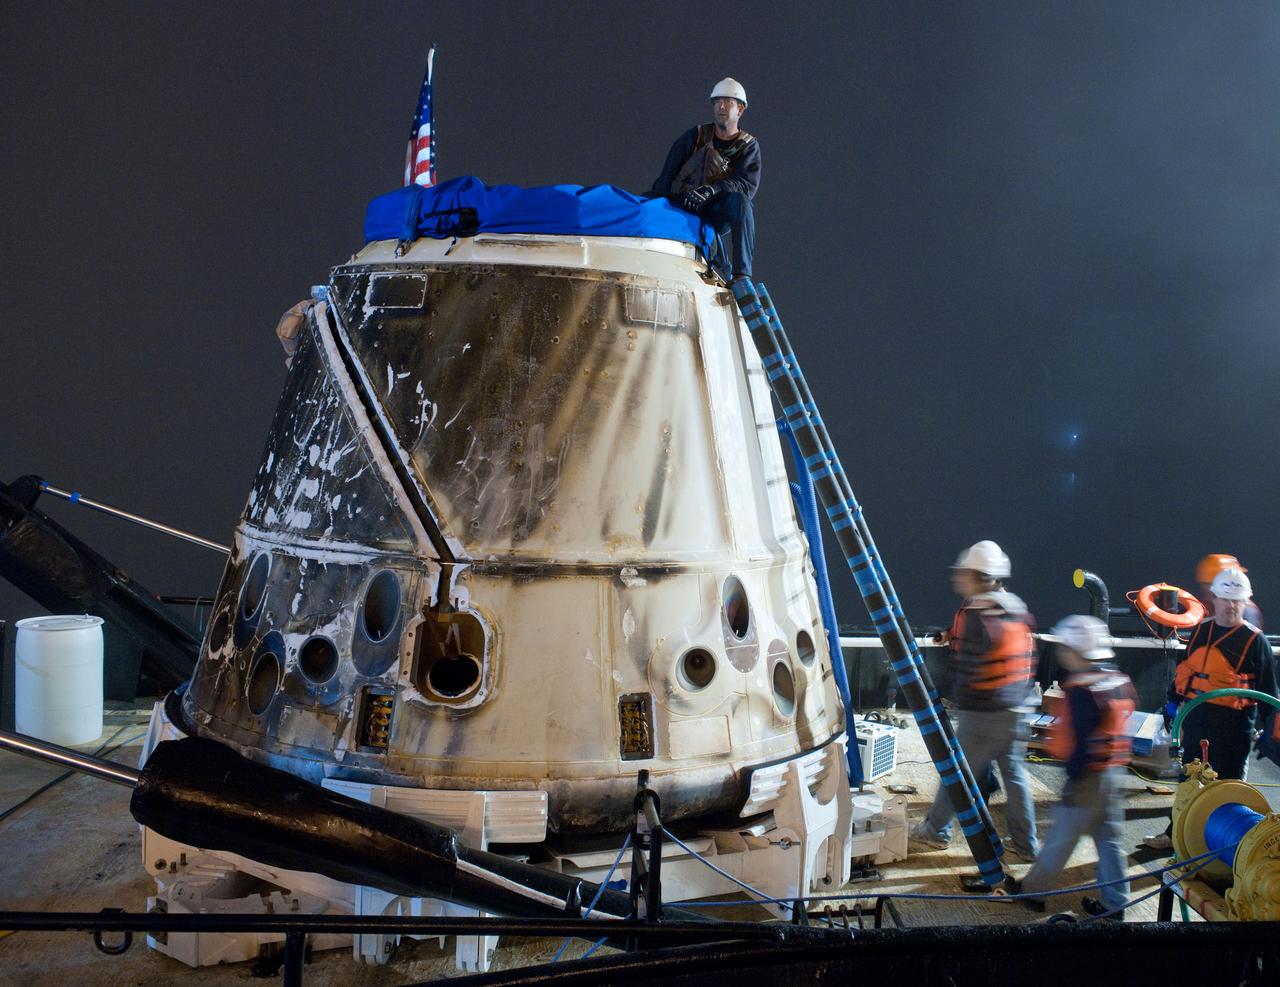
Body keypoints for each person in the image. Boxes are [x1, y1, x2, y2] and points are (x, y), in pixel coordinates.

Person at [910, 540, 1040, 860]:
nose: (958, 577)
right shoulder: (1014, 606)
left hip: (984, 713)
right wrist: (948, 634)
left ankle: (935, 830)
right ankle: (1026, 845)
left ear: (977, 575)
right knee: (1017, 778)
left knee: (956, 772)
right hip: (1017, 708)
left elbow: (972, 661)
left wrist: (957, 699)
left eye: (963, 572)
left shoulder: (976, 613)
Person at [1143, 566, 1278, 849]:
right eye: (1225, 600)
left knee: (1229, 791)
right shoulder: (1201, 630)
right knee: (1190, 782)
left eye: (1236, 601)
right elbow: (1186, 668)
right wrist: (1172, 701)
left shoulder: (1257, 643)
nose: (1230, 606)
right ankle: (1175, 835)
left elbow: (1268, 694)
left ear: (1245, 602)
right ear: (1214, 600)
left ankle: (1229, 847)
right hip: (1196, 721)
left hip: (1234, 730)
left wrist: (1272, 735)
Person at [1016, 615, 1137, 919]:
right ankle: (1116, 905)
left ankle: (1034, 891)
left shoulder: (1083, 691)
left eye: (1065, 648)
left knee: (1061, 838)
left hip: (1088, 780)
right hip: (1113, 774)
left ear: (1077, 651)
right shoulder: (1117, 681)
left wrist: (1073, 781)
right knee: (1109, 841)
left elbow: (1084, 742)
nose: (1061, 653)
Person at [650, 77, 761, 283]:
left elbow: (745, 185)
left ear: (740, 109)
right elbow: (667, 177)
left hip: (716, 208)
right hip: (684, 205)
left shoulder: (747, 147)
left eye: (728, 101)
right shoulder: (696, 136)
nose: (721, 106)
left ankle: (741, 275)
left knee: (742, 204)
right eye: (717, 101)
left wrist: (712, 190)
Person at [1195, 553, 1263, 628]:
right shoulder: (1209, 606)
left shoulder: (1246, 612)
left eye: (1206, 584)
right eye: (1203, 584)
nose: (1204, 589)